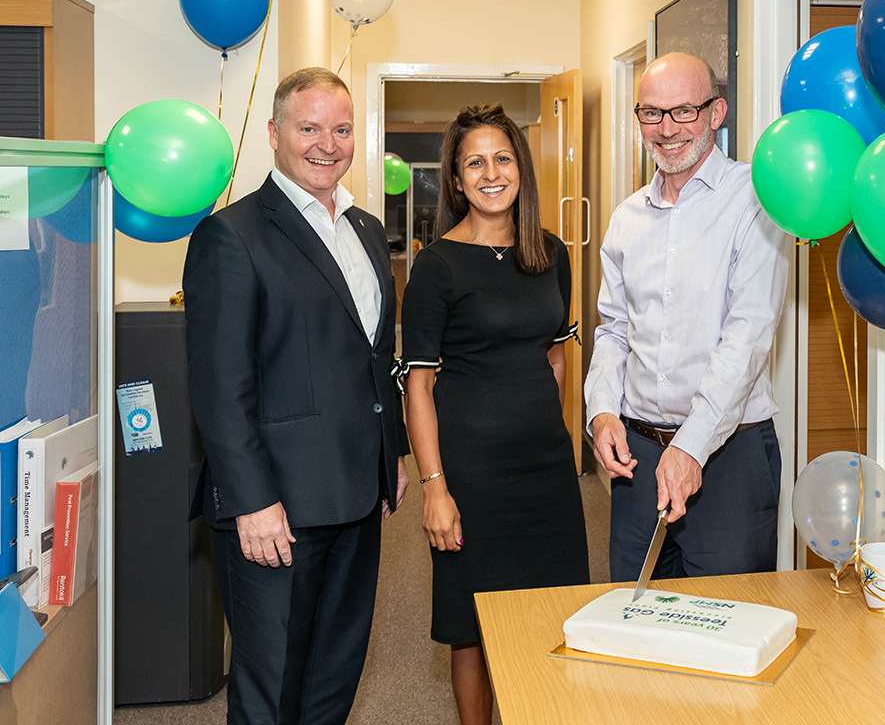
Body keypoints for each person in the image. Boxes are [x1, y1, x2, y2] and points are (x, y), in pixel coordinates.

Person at [184, 67, 409, 725]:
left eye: (341, 129)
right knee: (272, 686)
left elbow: (375, 357)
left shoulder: (367, 229)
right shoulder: (232, 235)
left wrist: (390, 453)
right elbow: (220, 387)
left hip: (357, 494)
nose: (327, 144)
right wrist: (252, 501)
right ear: (274, 132)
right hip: (275, 508)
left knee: (334, 674)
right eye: (309, 128)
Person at [399, 104, 589, 725]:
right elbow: (419, 385)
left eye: (502, 159)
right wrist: (435, 489)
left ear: (521, 169)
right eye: (474, 163)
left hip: (546, 472)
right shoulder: (436, 265)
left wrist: (546, 430)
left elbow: (556, 356)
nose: (490, 173)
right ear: (456, 180)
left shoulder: (551, 253)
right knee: (472, 626)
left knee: (555, 612)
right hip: (471, 475)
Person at [585, 52, 790, 582]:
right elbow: (614, 330)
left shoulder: (756, 200)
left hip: (729, 457)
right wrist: (602, 410)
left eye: (684, 111)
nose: (667, 129)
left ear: (716, 113)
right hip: (639, 457)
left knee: (729, 619)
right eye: (651, 113)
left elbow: (746, 338)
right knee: (635, 614)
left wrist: (691, 446)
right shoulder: (627, 218)